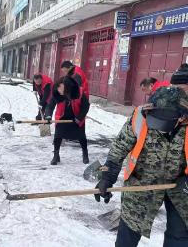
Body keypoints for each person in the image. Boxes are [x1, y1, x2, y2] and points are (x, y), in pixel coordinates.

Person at [94, 66, 188, 247]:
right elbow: (118, 148)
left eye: (184, 89)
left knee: (180, 237)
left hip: (180, 185)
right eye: (177, 88)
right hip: (141, 184)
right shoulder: (143, 114)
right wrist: (107, 177)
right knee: (127, 236)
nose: (180, 93)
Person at [45, 76, 90, 165]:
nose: (59, 91)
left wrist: (79, 118)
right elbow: (50, 106)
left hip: (77, 118)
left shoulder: (79, 93)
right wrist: (48, 116)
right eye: (58, 88)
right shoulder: (57, 94)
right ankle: (56, 155)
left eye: (61, 89)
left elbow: (86, 106)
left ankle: (85, 154)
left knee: (81, 137)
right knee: (57, 136)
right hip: (62, 118)